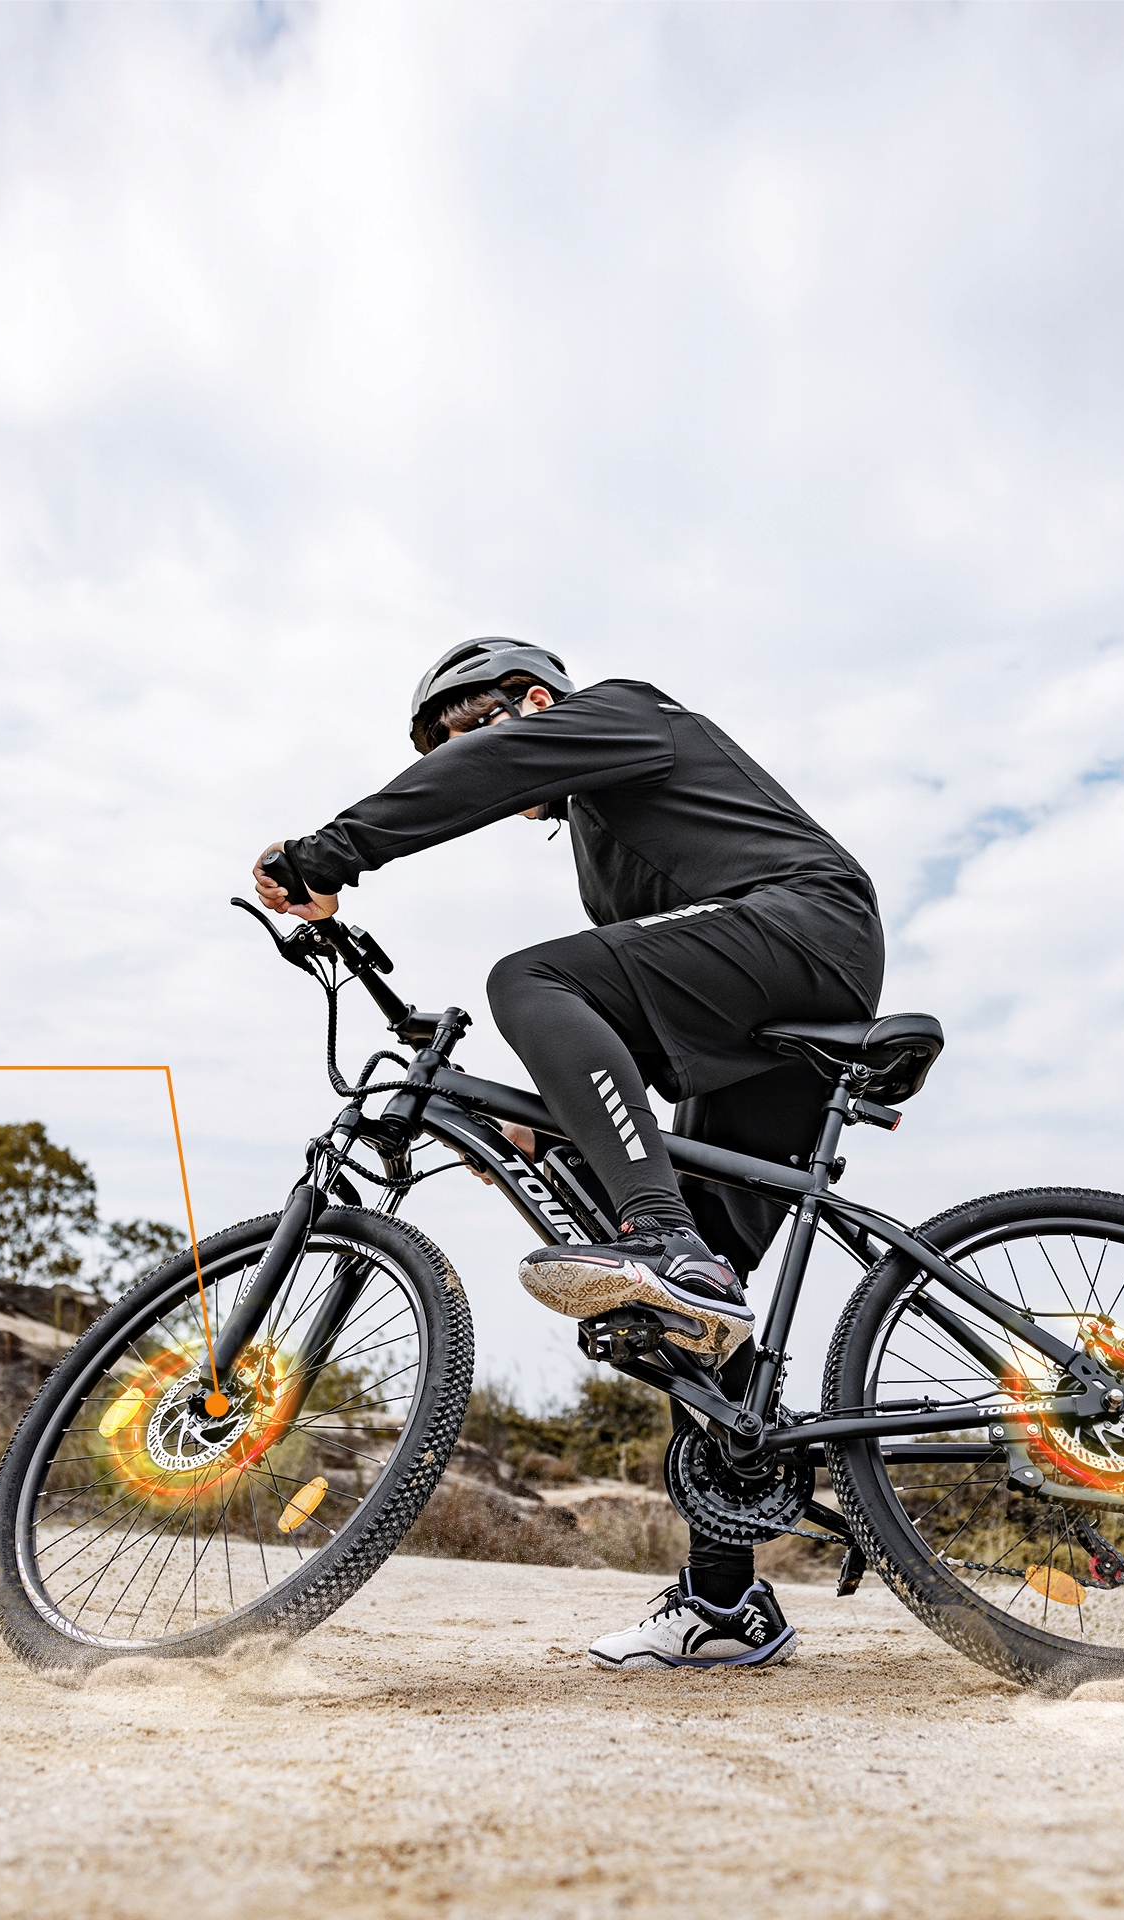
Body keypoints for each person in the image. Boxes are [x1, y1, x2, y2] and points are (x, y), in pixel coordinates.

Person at [255, 637, 884, 1670]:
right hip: (758, 1031)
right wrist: (554, 1118)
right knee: (698, 1320)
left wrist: (331, 853)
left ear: (532, 701)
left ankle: (661, 1235)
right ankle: (725, 1601)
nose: (463, 757)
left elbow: (492, 770)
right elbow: (647, 1016)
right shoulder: (609, 844)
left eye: (465, 730)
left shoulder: (626, 713)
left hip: (804, 930)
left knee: (529, 981)